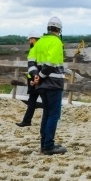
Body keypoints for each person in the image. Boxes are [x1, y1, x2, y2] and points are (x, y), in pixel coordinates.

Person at [31, 17, 67, 155]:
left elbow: (32, 61)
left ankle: (44, 143)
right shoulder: (56, 42)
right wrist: (40, 76)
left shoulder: (39, 42)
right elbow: (51, 64)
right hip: (54, 83)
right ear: (59, 30)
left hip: (41, 85)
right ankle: (48, 146)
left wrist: (36, 76)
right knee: (54, 115)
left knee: (46, 113)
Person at [16, 30, 43, 127]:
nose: (29, 42)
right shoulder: (44, 48)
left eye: (30, 39)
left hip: (34, 79)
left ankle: (27, 121)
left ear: (33, 39)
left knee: (32, 101)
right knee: (45, 100)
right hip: (43, 78)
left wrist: (33, 79)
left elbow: (32, 66)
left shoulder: (34, 49)